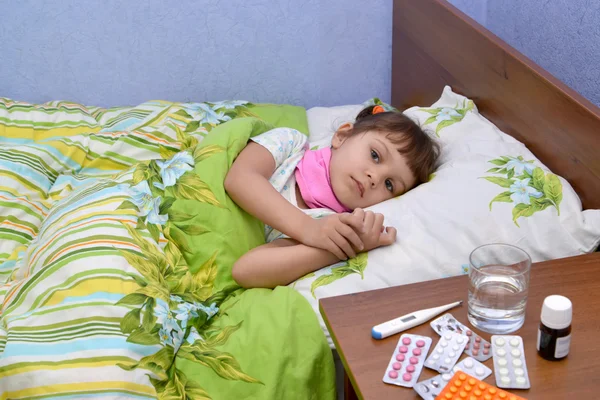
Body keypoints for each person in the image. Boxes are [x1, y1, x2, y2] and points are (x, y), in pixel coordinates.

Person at [225, 105, 439, 288]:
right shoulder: (290, 144)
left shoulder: (328, 223)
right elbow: (240, 178)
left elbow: (245, 271)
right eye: (375, 155)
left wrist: (342, 247)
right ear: (342, 136)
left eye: (389, 184)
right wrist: (308, 229)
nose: (375, 178)